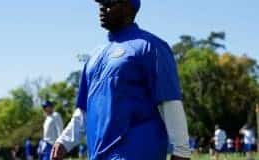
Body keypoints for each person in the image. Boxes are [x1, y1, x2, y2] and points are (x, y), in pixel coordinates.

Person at [51, 0, 191, 160]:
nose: (102, 8)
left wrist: (181, 152)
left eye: (109, 2)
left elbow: (170, 102)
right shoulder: (94, 55)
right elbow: (84, 110)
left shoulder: (151, 46)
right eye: (100, 3)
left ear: (127, 7)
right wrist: (64, 141)